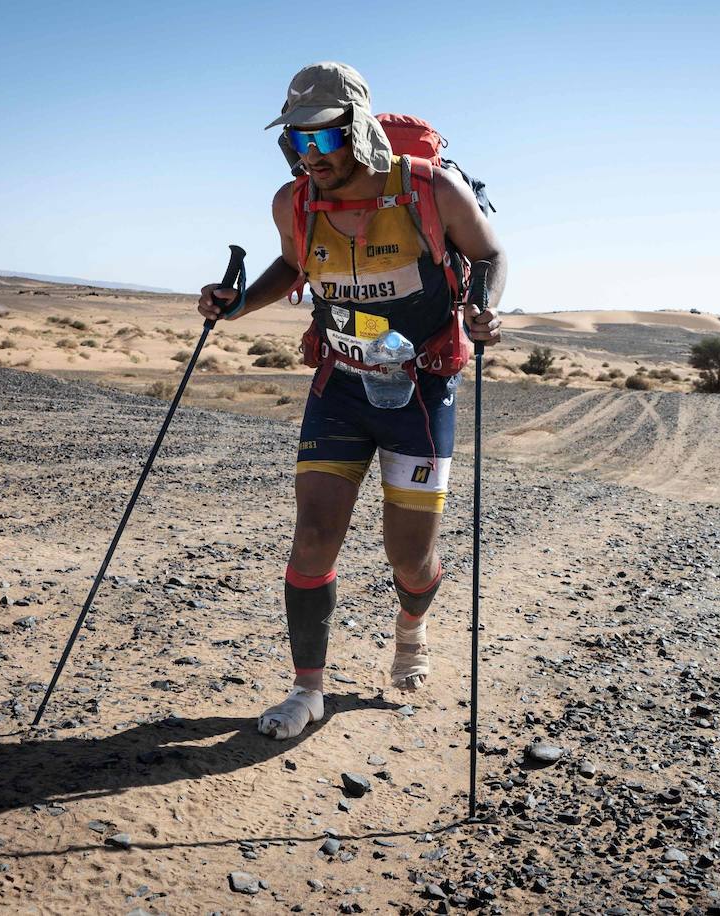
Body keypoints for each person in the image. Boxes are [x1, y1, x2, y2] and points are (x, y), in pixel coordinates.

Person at [197, 62, 506, 739]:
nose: (310, 158)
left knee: (409, 559)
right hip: (339, 382)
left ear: (357, 131)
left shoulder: (429, 188)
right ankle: (308, 692)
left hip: (421, 389)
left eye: (323, 140)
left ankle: (411, 626)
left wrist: (484, 310)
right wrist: (238, 304)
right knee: (312, 537)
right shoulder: (295, 202)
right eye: (295, 144)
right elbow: (296, 265)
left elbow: (488, 254)